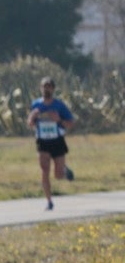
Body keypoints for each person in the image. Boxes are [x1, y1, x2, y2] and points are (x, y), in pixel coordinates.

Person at [28, 76, 76, 210]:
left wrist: (59, 120)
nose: (46, 89)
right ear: (40, 88)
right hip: (42, 141)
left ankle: (64, 170)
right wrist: (33, 117)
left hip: (57, 140)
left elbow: (71, 123)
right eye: (44, 87)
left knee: (58, 175)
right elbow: (30, 123)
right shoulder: (36, 104)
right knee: (44, 170)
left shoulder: (59, 105)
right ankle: (49, 201)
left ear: (53, 89)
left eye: (49, 87)